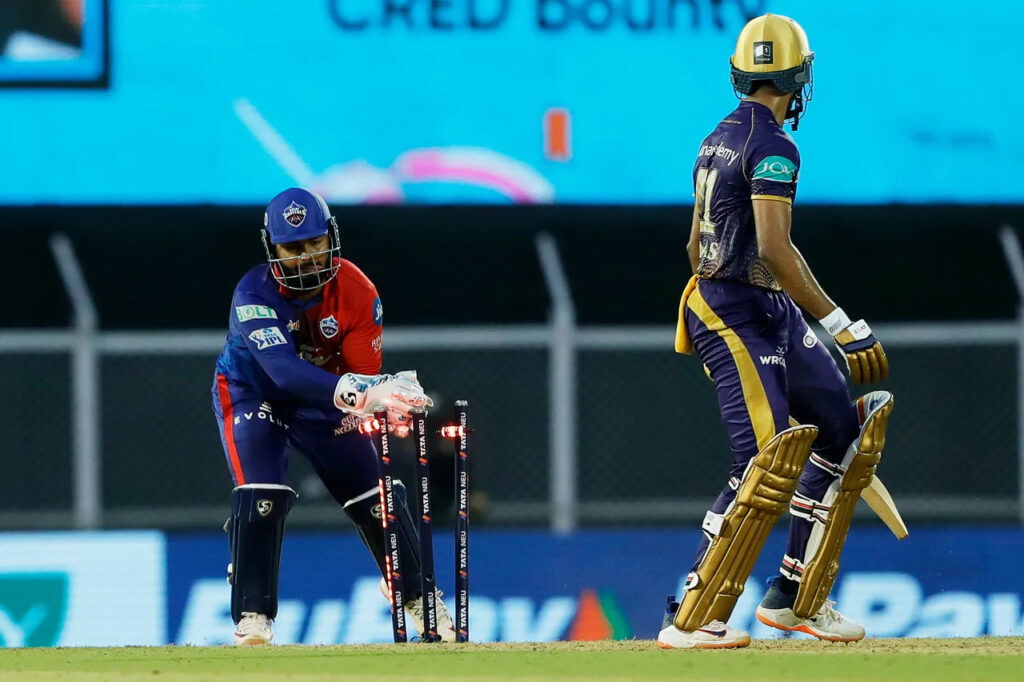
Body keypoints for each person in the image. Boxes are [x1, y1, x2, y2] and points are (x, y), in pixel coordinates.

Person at [658, 14, 894, 649]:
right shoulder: (775, 145)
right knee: (763, 459)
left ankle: (796, 595)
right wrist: (843, 325)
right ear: (799, 77)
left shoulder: (717, 137)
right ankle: (691, 610)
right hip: (738, 307)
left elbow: (693, 241)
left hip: (758, 304)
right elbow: (775, 246)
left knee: (843, 430)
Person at [211, 187, 455, 645]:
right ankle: (253, 612)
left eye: (314, 244)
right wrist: (361, 392)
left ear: (331, 238)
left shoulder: (358, 292)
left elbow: (363, 374)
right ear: (272, 248)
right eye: (292, 248)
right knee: (262, 494)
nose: (305, 258)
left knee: (375, 497)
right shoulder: (252, 293)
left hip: (324, 402)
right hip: (253, 394)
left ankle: (416, 595)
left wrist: (380, 396)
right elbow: (282, 372)